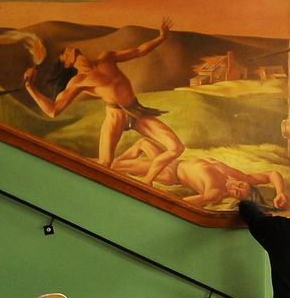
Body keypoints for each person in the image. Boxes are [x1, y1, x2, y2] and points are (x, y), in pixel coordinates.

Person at [23, 18, 184, 186]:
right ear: (68, 63)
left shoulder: (107, 58)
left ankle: (147, 183)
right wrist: (30, 88)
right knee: (104, 165)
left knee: (176, 148)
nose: (68, 49)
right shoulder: (79, 81)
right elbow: (53, 111)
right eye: (64, 53)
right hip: (116, 116)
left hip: (136, 111)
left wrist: (161, 38)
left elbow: (139, 51)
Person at [112, 138, 289, 209]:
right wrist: (280, 192)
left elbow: (181, 203)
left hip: (169, 173)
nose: (235, 186)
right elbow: (272, 174)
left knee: (118, 166)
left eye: (236, 192)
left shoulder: (215, 192)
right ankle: (110, 162)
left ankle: (107, 166)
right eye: (240, 186)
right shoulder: (242, 176)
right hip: (173, 162)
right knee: (143, 143)